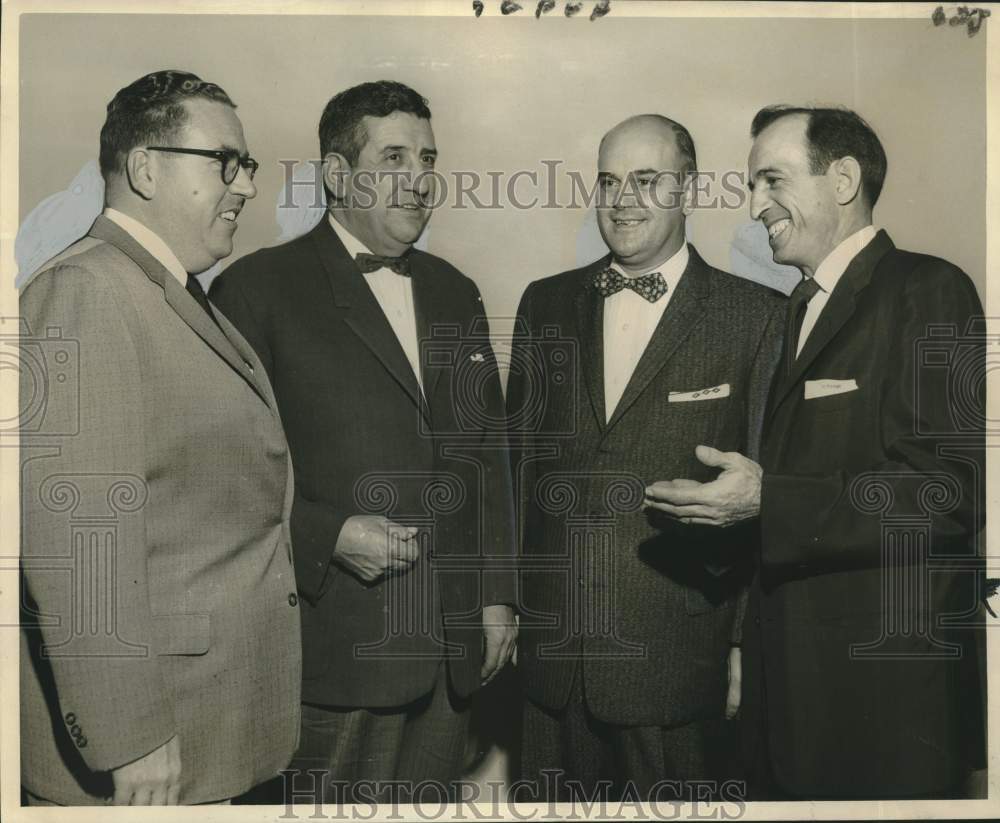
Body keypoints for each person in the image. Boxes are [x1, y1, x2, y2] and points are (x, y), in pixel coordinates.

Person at [645, 105, 985, 799]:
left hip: (882, 705)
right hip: (786, 704)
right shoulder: (795, 310)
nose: (754, 204)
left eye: (772, 179)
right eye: (751, 184)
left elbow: (945, 495)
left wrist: (772, 500)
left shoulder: (928, 289)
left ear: (844, 178)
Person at [210, 80, 516, 803]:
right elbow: (220, 481)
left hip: (451, 655)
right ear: (339, 175)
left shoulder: (455, 290)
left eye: (429, 158)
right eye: (395, 158)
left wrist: (498, 595)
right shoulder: (254, 290)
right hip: (334, 656)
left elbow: (488, 457)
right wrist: (326, 534)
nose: (420, 179)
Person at [19, 70, 301, 806]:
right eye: (225, 162)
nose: (244, 186)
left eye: (248, 166)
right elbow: (80, 535)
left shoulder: (165, 291)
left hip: (211, 720)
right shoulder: (85, 290)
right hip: (155, 745)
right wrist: (130, 734)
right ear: (146, 167)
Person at [506, 114, 784, 800]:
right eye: (608, 180)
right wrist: (502, 604)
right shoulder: (545, 304)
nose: (622, 198)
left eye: (647, 179)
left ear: (687, 188)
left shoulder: (758, 317)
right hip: (552, 665)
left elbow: (763, 498)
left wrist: (746, 645)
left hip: (678, 663)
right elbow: (514, 475)